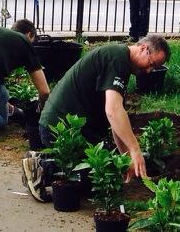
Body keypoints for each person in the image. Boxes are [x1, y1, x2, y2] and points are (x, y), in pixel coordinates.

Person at [22, 35, 170, 201]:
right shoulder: (118, 59)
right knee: (95, 175)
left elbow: (115, 120)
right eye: (152, 64)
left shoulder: (120, 60)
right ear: (143, 48)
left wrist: (126, 158)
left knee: (105, 175)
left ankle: (47, 163)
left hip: (75, 129)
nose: (150, 71)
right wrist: (135, 150)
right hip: (60, 128)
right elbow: (113, 111)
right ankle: (42, 166)